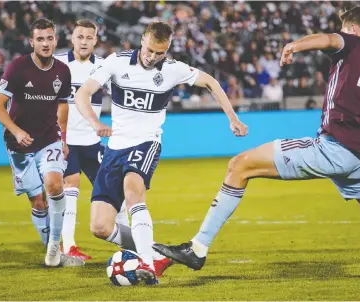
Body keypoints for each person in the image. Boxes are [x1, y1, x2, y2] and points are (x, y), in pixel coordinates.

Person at [152, 6, 360, 282]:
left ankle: (197, 248)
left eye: (344, 27)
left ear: (354, 30)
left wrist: (295, 46)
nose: (341, 32)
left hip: (335, 147)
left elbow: (329, 39)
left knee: (239, 166)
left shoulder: (352, 44)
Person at [74, 21, 248, 284]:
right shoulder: (117, 62)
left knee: (134, 191)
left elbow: (211, 82)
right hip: (115, 148)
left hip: (147, 142)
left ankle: (146, 264)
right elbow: (82, 94)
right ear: (143, 39)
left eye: (160, 53)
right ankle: (153, 251)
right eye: (150, 50)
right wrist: (96, 123)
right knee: (100, 227)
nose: (153, 57)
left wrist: (232, 118)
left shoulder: (172, 69)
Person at [0, 18, 82, 267]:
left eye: (49, 38)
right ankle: (50, 248)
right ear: (32, 42)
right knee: (38, 202)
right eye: (40, 39)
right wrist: (17, 131)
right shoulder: (18, 68)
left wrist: (63, 138)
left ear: (55, 40)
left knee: (54, 185)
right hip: (18, 144)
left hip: (48, 140)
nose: (45, 43)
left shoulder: (63, 71)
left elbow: (63, 105)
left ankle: (55, 248)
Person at [54, 19, 131, 261]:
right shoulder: (58, 63)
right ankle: (69, 246)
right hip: (66, 141)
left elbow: (120, 94)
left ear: (95, 41)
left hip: (92, 141)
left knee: (115, 190)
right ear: (72, 38)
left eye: (89, 37)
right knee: (72, 187)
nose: (84, 41)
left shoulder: (103, 67)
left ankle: (128, 245)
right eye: (80, 36)